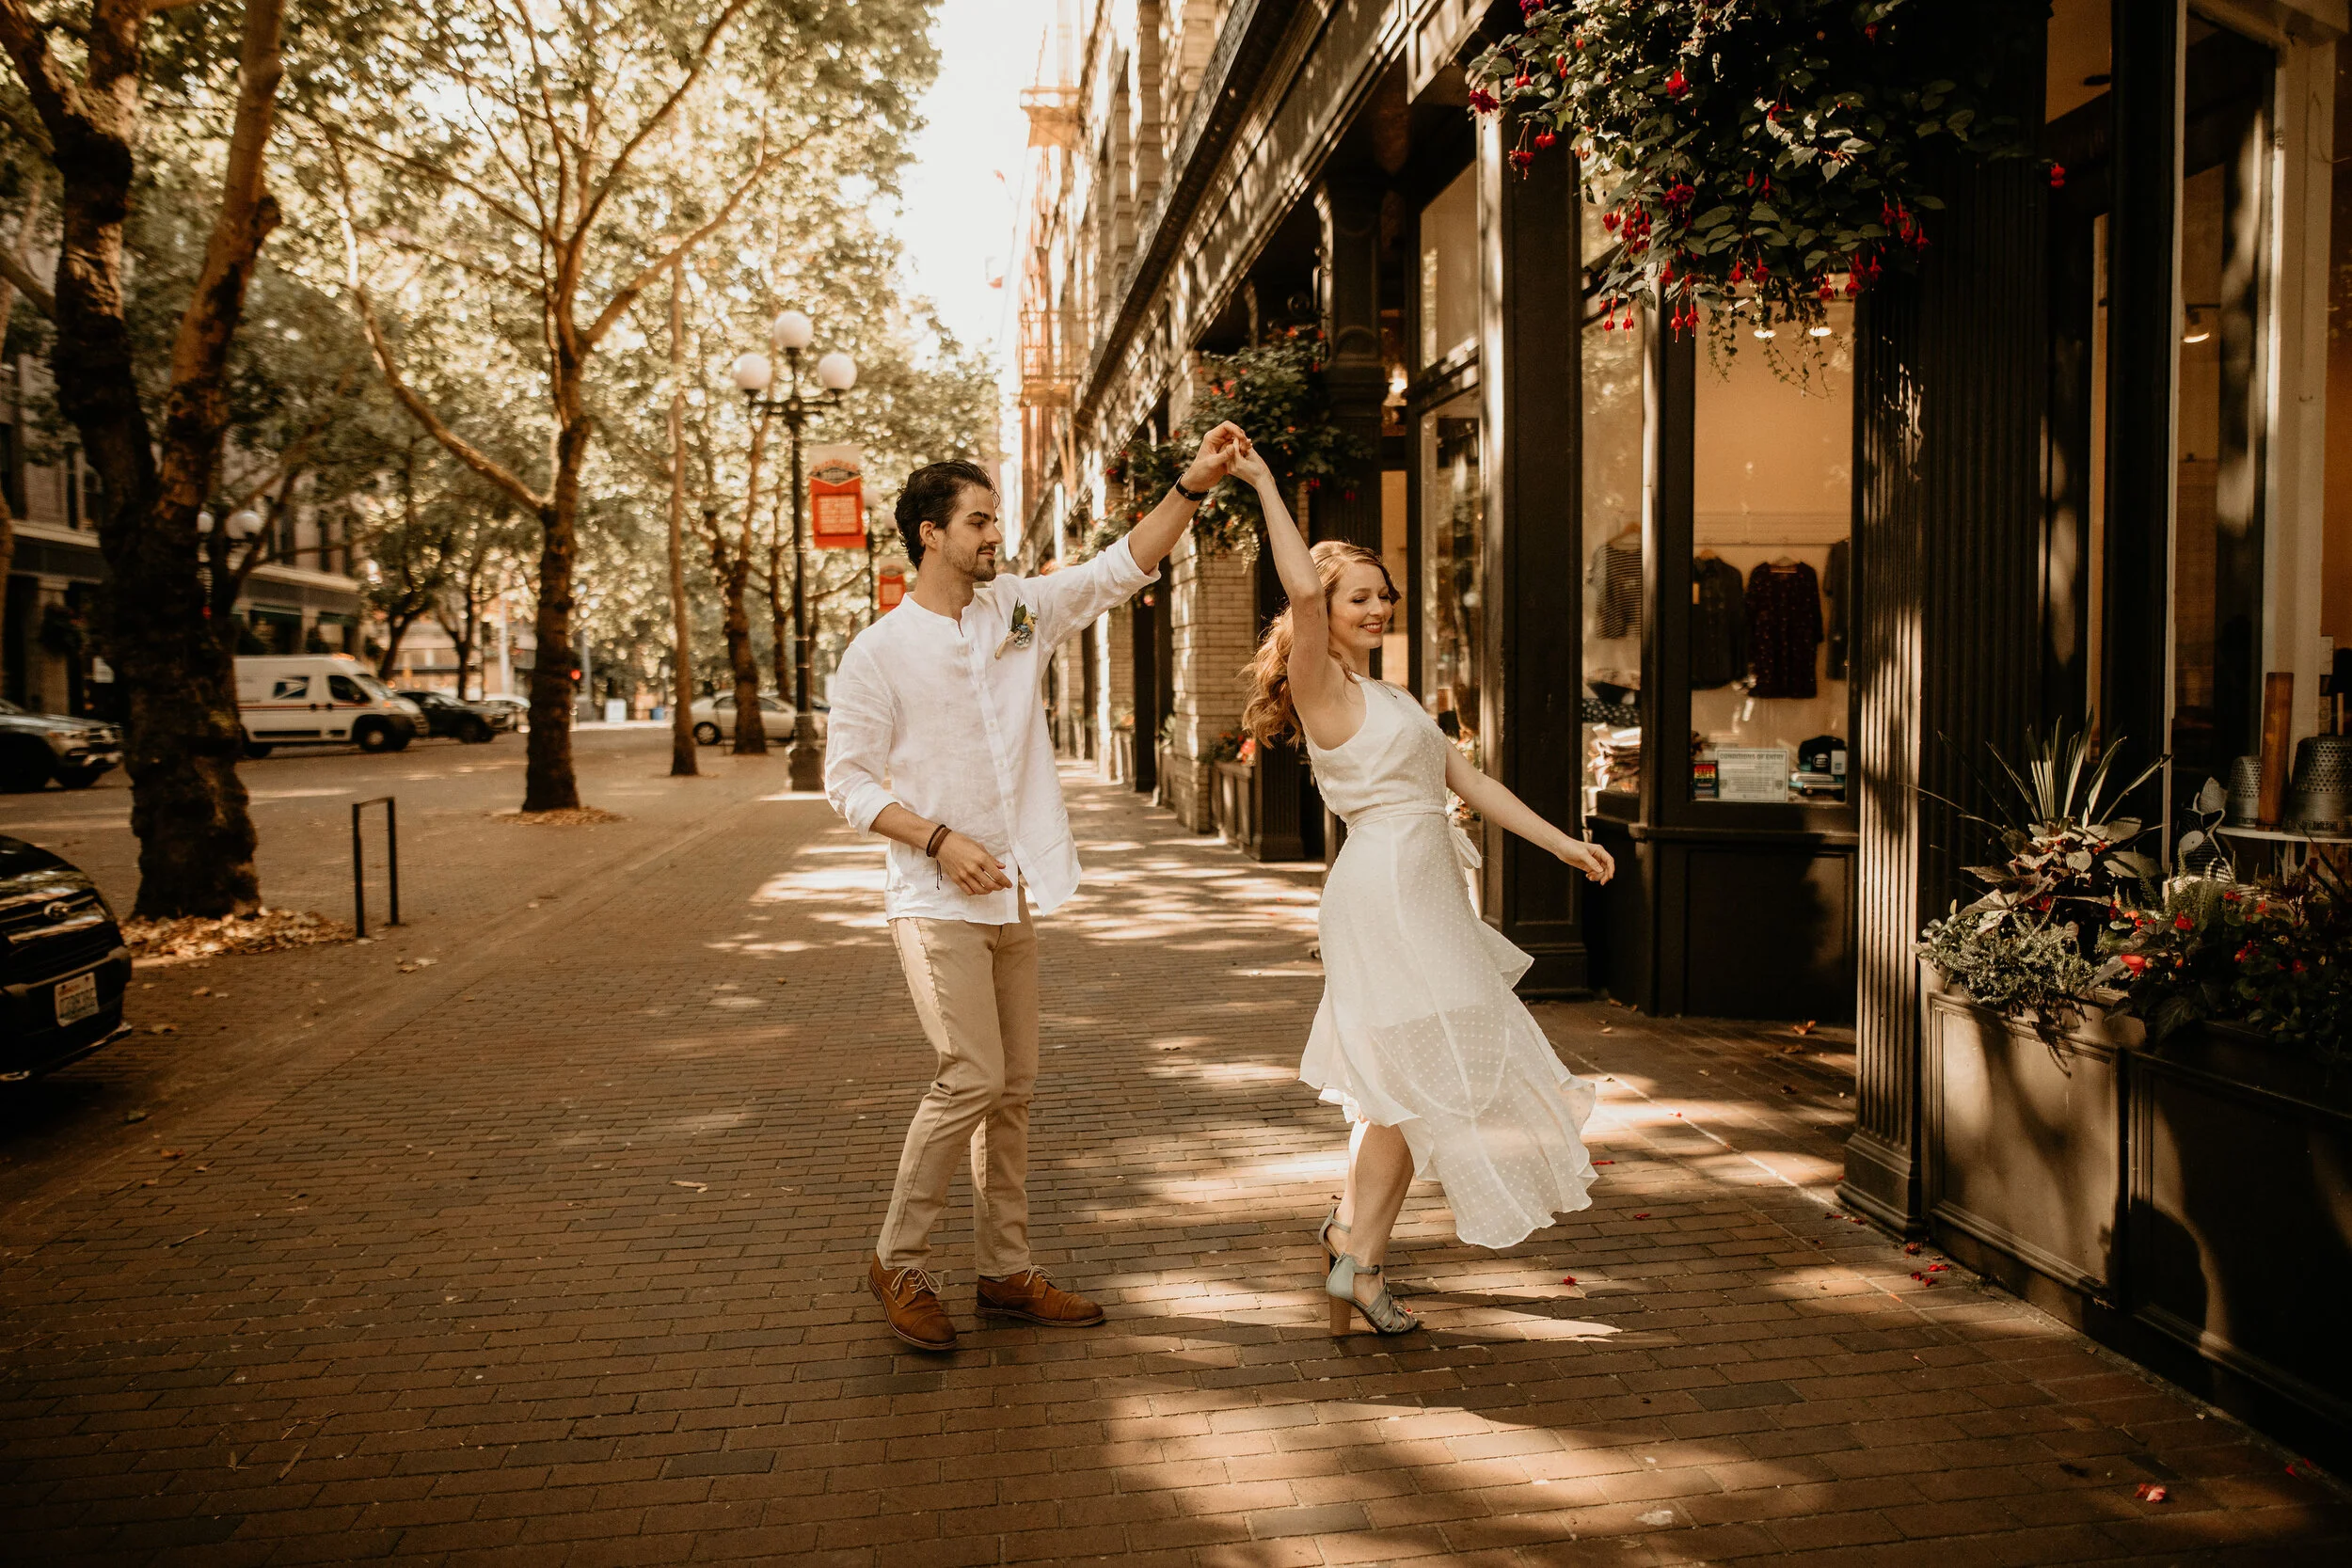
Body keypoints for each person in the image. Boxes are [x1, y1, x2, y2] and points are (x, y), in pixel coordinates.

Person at [825, 429, 1245, 1353]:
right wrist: (938, 839)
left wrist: (1193, 484)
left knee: (1011, 1087)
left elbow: (1113, 572)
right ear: (928, 533)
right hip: (933, 899)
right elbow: (848, 782)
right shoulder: (879, 653)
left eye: (994, 522)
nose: (992, 537)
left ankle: (1003, 1268)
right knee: (969, 1074)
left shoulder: (1015, 611)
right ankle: (900, 1258)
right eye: (977, 522)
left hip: (1011, 893)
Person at [1232, 437, 1616, 1336]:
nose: (1379, 606)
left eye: (1383, 594)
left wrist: (1562, 843)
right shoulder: (1319, 682)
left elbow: (1469, 783)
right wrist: (1260, 482)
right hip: (1384, 893)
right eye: (1359, 595)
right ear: (1323, 609)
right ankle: (1356, 1253)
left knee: (1404, 1090)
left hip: (1431, 892)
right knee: (1412, 1081)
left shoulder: (1394, 695)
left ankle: (1353, 1247)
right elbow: (1294, 591)